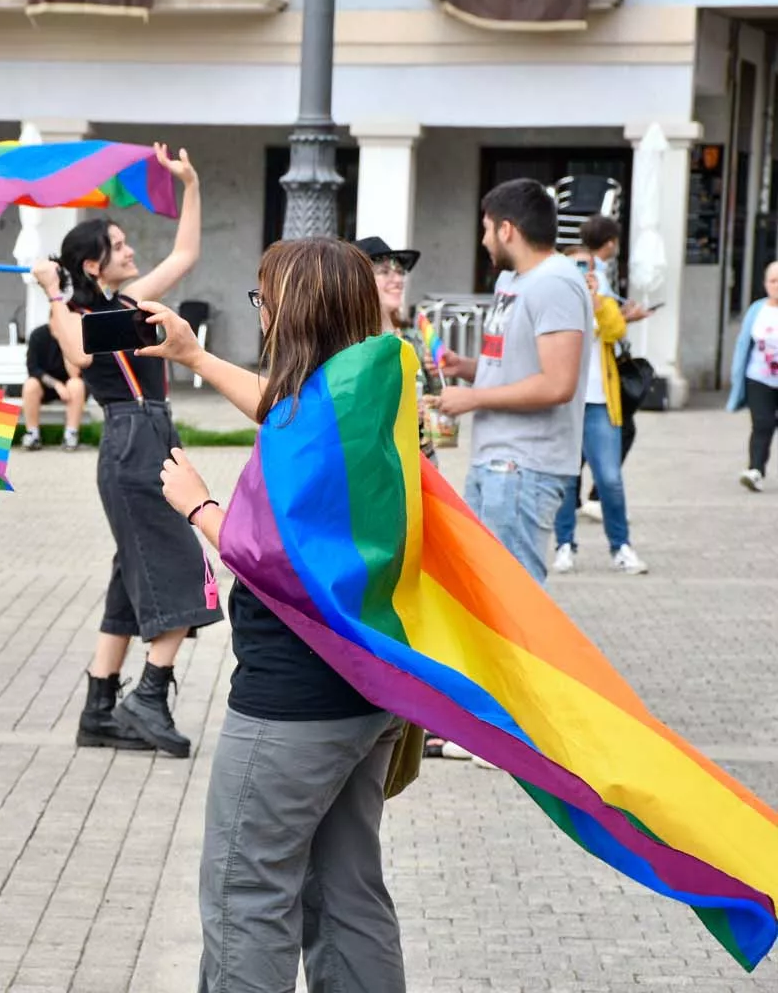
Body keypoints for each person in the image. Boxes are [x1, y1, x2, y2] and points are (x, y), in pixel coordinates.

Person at [132, 237, 406, 993]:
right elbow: (284, 409)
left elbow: (272, 557)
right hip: (368, 685)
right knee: (348, 892)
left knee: (245, 893)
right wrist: (191, 354)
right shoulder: (370, 387)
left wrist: (198, 504)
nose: (261, 313)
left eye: (264, 299)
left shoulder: (312, 420)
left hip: (294, 700)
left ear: (296, 310)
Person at [30, 142, 222, 758]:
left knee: (130, 575)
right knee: (178, 565)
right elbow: (80, 354)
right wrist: (53, 293)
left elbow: (186, 252)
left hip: (154, 433)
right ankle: (150, 696)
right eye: (117, 245)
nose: (131, 249)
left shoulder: (128, 304)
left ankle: (100, 708)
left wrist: (190, 184)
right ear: (91, 265)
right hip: (130, 439)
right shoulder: (85, 314)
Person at [431, 178, 591, 586]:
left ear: (507, 230)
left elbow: (558, 384)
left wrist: (474, 398)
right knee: (488, 594)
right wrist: (464, 366)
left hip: (525, 467)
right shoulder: (511, 281)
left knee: (514, 597)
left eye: (486, 229)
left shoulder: (556, 282)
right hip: (495, 461)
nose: (484, 240)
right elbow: (514, 365)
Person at [551, 246, 648, 575]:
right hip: (564, 403)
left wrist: (593, 300)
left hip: (600, 404)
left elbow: (616, 331)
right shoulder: (555, 304)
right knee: (566, 478)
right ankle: (564, 544)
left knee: (610, 478)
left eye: (585, 267)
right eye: (573, 265)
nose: (579, 272)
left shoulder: (602, 305)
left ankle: (621, 546)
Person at [577, 215, 650, 518]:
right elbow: (604, 326)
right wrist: (626, 319)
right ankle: (594, 496)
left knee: (582, 438)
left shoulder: (584, 268)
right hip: (599, 373)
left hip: (593, 375)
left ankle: (577, 498)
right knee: (619, 431)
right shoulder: (596, 274)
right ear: (611, 243)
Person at [355, 236, 438, 464]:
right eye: (384, 272)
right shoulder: (350, 346)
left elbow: (444, 432)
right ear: (359, 280)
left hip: (422, 471)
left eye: (400, 271)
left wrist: (437, 391)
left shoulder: (414, 340)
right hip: (377, 473)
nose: (398, 279)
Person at [727, 260, 778, 492]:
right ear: (765, 283)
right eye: (773, 281)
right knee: (762, 423)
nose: (776, 285)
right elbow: (742, 344)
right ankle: (755, 469)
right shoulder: (757, 309)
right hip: (759, 377)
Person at [20, 322, 87, 451]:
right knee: (30, 384)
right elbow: (33, 368)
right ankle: (32, 434)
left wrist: (65, 343)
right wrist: (56, 385)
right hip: (45, 385)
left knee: (76, 384)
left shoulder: (75, 337)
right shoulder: (38, 335)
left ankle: (70, 435)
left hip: (70, 388)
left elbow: (76, 373)